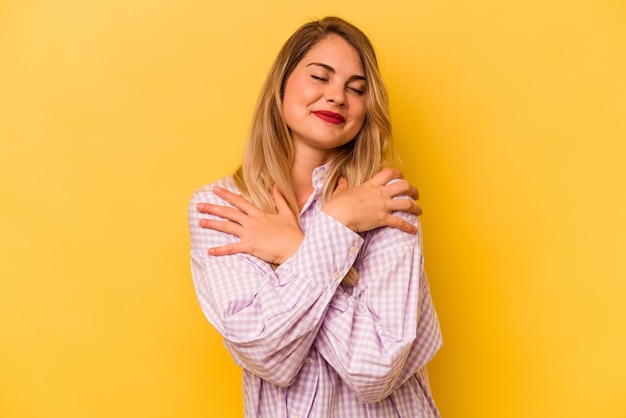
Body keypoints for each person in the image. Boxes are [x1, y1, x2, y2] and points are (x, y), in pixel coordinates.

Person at [188, 16, 442, 417]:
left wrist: (298, 245)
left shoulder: (385, 201)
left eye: (355, 89)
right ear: (282, 85)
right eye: (320, 77)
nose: (337, 97)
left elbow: (376, 369)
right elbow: (266, 353)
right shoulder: (226, 206)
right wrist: (337, 229)